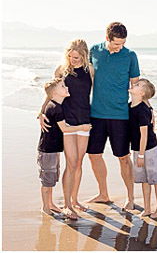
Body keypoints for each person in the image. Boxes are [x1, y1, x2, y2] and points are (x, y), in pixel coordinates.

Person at [86, 22, 140, 209]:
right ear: (107, 38)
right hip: (97, 114)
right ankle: (103, 193)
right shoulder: (94, 51)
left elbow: (136, 86)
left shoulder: (130, 56)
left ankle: (131, 198)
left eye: (123, 43)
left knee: (123, 157)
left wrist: (146, 112)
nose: (120, 47)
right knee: (93, 154)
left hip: (120, 116)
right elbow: (85, 77)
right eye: (116, 44)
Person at [37, 78, 91, 217]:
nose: (66, 87)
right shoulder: (56, 108)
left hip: (53, 149)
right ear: (55, 93)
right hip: (47, 149)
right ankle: (45, 207)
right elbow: (65, 129)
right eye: (62, 86)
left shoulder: (55, 106)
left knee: (52, 178)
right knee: (47, 180)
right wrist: (82, 127)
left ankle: (50, 204)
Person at [54, 39, 93, 216]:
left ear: (84, 56)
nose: (73, 60)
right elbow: (52, 93)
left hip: (85, 120)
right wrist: (42, 112)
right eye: (70, 57)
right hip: (67, 121)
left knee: (78, 163)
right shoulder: (61, 70)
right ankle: (67, 204)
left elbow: (103, 91)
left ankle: (75, 199)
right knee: (70, 163)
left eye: (76, 57)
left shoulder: (90, 70)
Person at [128, 78, 157, 218]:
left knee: (155, 179)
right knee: (144, 179)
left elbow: (144, 135)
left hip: (149, 149)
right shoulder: (130, 106)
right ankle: (147, 208)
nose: (133, 84)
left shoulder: (142, 110)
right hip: (138, 149)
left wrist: (141, 155)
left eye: (137, 85)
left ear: (142, 93)